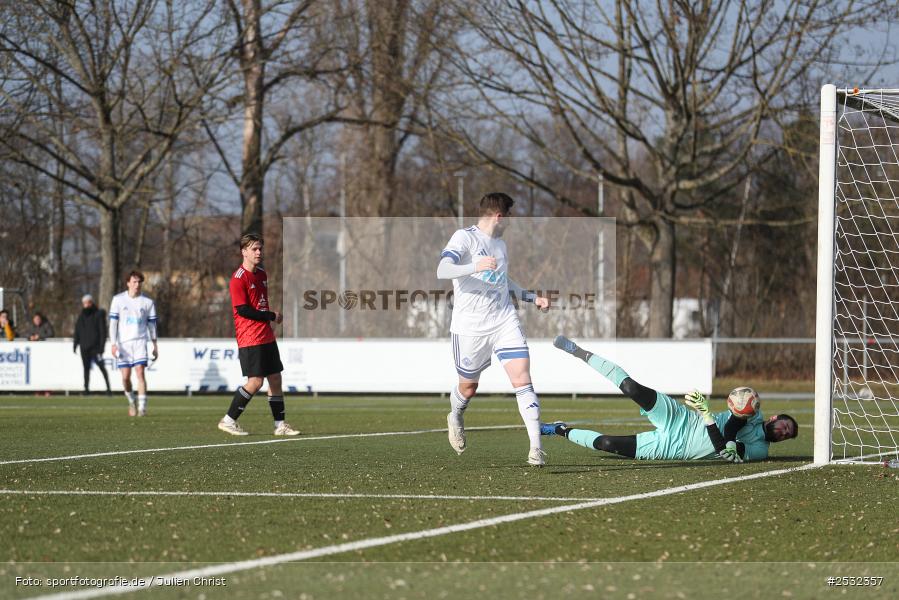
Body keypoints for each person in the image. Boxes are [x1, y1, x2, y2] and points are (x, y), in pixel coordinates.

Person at [542, 336, 798, 462]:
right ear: (775, 418)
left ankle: (561, 429)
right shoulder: (755, 414)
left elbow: (723, 448)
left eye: (787, 434)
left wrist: (707, 415)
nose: (783, 432)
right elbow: (733, 425)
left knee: (607, 443)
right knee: (632, 388)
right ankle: (580, 352)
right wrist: (705, 415)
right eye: (785, 426)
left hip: (676, 448)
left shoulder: (760, 451)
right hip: (683, 418)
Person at [437, 192, 551, 466]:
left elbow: (503, 280)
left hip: (503, 321)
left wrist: (531, 297)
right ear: (499, 216)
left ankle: (536, 448)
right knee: (469, 387)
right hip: (470, 328)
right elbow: (442, 270)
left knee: (522, 378)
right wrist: (475, 265)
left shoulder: (500, 244)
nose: (511, 221)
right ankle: (455, 416)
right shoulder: (464, 237)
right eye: (509, 216)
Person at [218, 232, 300, 437]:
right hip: (249, 337)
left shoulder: (261, 274)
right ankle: (228, 420)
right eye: (254, 248)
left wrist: (268, 319)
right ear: (244, 251)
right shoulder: (238, 279)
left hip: (266, 335)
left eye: (260, 248)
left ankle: (279, 425)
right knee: (256, 382)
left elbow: (259, 304)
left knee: (275, 378)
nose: (259, 252)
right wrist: (271, 315)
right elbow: (243, 310)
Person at [109, 271, 158, 416]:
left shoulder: (147, 302)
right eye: (134, 282)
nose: (137, 285)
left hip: (140, 342)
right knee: (125, 377)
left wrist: (155, 344)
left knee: (140, 373)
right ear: (128, 283)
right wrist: (113, 344)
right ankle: (131, 402)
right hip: (124, 344)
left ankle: (142, 408)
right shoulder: (118, 300)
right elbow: (113, 323)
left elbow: (152, 325)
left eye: (139, 282)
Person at [73, 294, 112, 394]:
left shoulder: (98, 314)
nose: (86, 305)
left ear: (91, 302)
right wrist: (75, 343)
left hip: (95, 347)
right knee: (86, 368)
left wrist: (101, 347)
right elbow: (78, 330)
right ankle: (86, 389)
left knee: (101, 367)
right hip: (84, 347)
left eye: (88, 302)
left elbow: (102, 331)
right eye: (84, 303)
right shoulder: (81, 316)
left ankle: (108, 388)